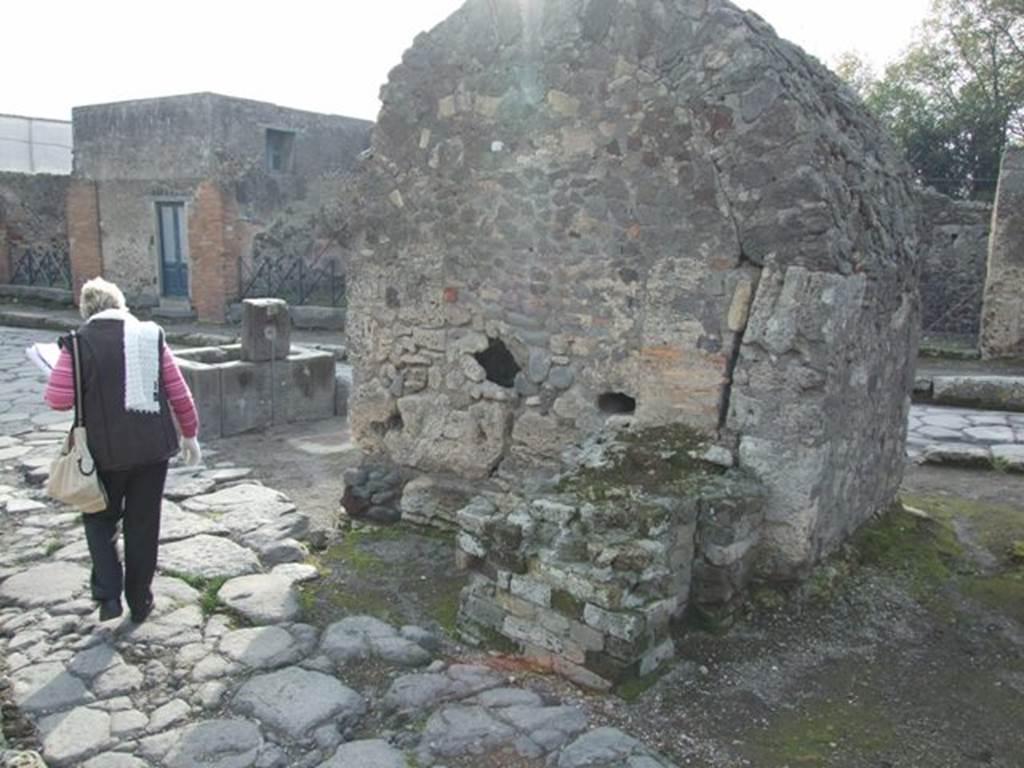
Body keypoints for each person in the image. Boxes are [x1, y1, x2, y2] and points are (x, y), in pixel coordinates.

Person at [44, 277, 201, 623]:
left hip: (102, 453)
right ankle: (140, 601)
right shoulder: (150, 335)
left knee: (99, 521)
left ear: (86, 310)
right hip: (152, 450)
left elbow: (57, 399)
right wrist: (190, 434)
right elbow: (178, 392)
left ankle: (108, 597)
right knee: (143, 525)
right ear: (121, 304)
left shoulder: (77, 343)